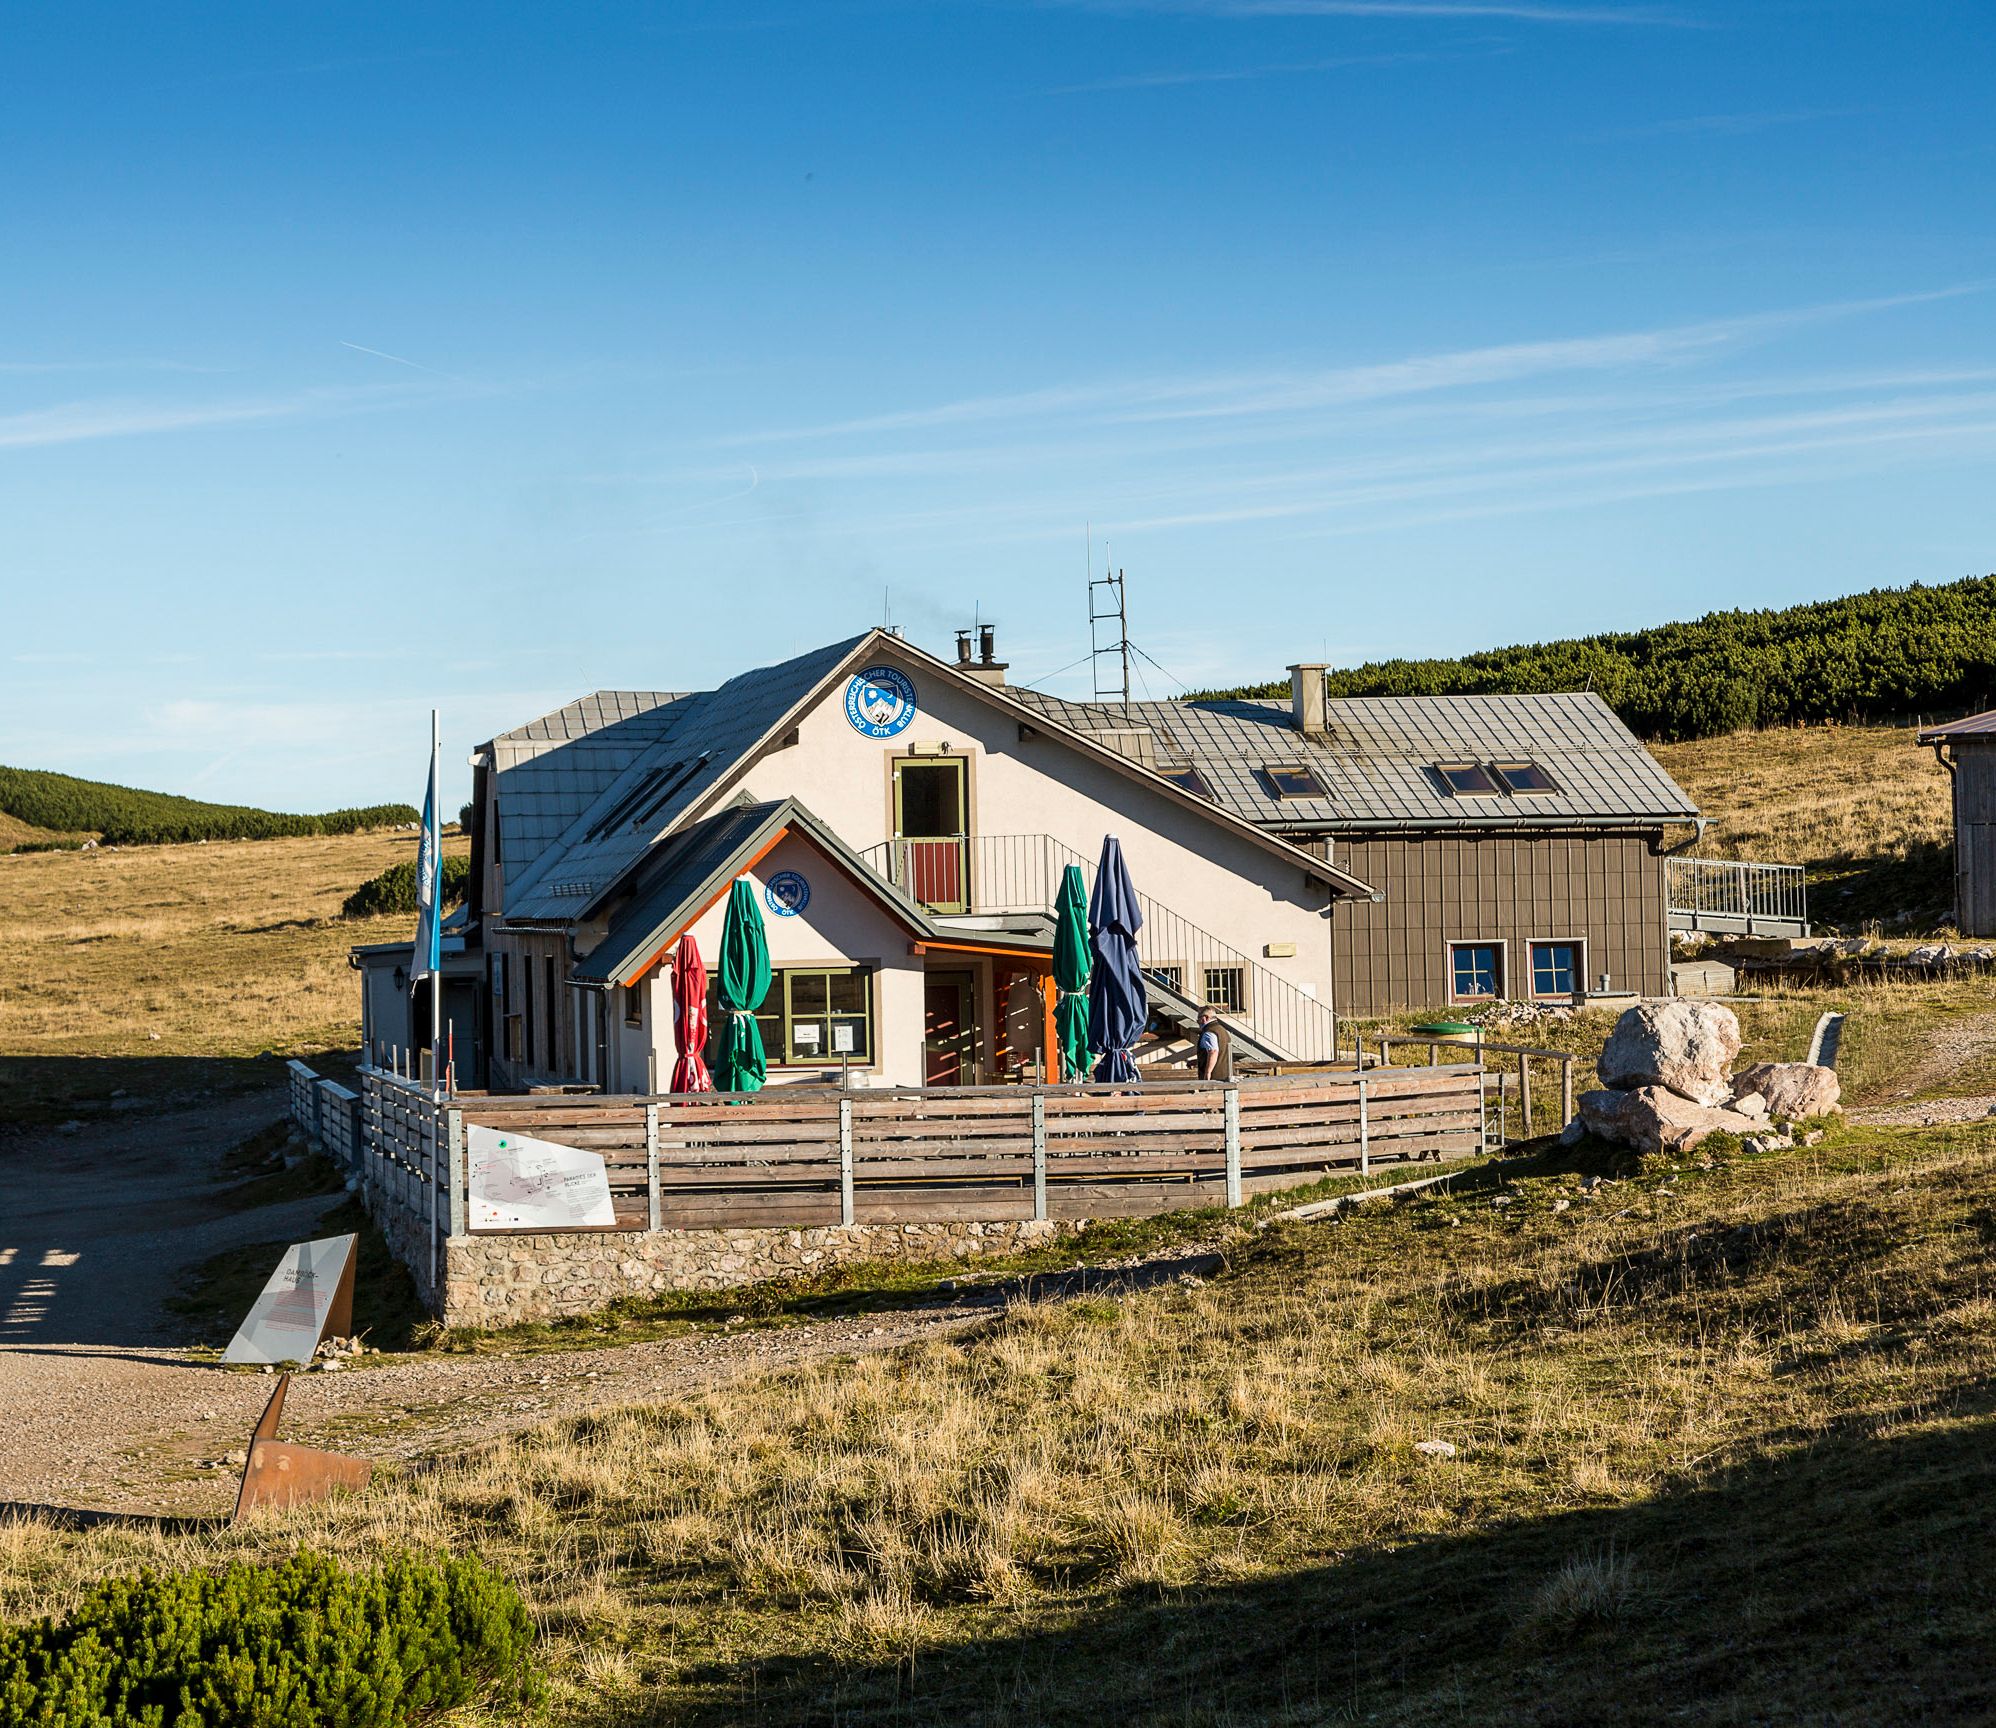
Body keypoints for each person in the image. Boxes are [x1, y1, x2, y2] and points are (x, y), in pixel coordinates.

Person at [1195, 1006, 1232, 1081]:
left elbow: (1213, 1052)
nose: (1198, 1022)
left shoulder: (1208, 1032)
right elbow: (1221, 1054)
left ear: (1205, 1018)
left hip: (1215, 1078)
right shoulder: (1222, 1030)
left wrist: (1208, 1073)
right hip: (1226, 1075)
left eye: (1198, 1019)